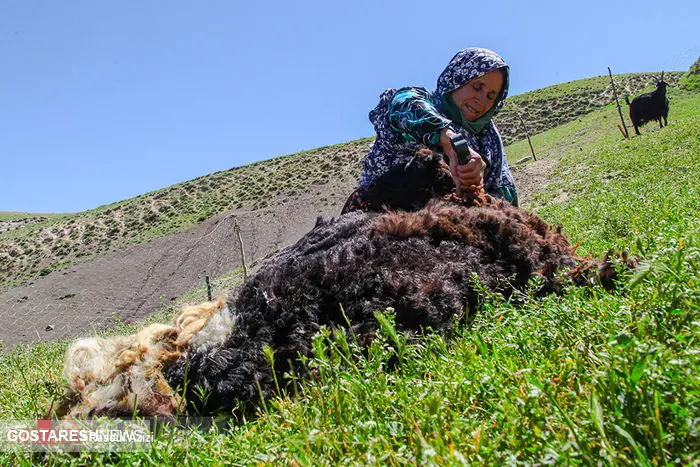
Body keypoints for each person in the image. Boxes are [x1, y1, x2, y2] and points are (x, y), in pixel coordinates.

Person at [349, 47, 518, 209]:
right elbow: (404, 104)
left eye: (491, 96)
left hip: (447, 225)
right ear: (457, 78)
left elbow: (505, 198)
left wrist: (476, 187)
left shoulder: (489, 139)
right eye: (477, 87)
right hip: (380, 216)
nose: (481, 100)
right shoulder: (419, 104)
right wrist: (451, 141)